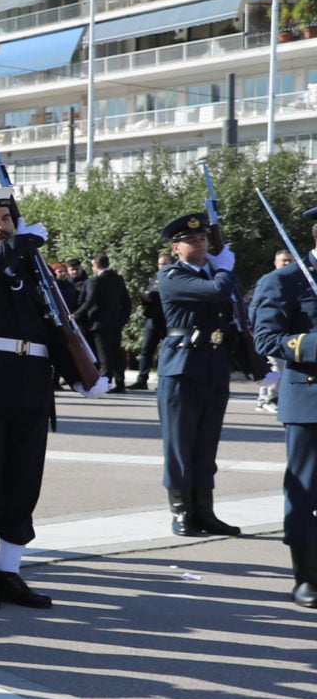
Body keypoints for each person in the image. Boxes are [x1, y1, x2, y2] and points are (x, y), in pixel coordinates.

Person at [0, 187, 112, 609]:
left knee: (22, 484)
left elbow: (56, 329)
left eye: (6, 219)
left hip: (31, 384)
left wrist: (80, 377)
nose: (0, 227)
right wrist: (24, 243)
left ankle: (9, 572)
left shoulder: (32, 270)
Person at [154, 212, 243, 537]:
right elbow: (216, 291)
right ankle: (181, 512)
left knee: (206, 446)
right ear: (176, 247)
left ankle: (205, 511)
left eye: (203, 238)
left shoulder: (217, 273)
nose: (200, 243)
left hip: (214, 367)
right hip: (182, 369)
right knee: (180, 447)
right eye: (191, 240)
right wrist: (224, 268)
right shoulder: (172, 275)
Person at [249, 211, 317, 606]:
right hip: (309, 398)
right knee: (305, 491)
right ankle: (306, 575)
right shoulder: (283, 281)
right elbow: (266, 338)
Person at [79, 253, 131, 391]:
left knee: (104, 354)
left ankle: (106, 382)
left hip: (99, 323)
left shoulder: (95, 281)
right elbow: (126, 303)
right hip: (115, 323)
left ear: (95, 265)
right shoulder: (118, 279)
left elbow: (89, 302)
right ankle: (120, 383)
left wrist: (75, 316)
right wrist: (122, 319)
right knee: (116, 353)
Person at [134, 257, 170, 391]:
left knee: (166, 351)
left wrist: (153, 296)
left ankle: (164, 382)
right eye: (160, 264)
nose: (161, 266)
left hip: (166, 319)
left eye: (165, 264)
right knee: (146, 350)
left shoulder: (174, 278)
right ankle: (142, 380)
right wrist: (145, 297)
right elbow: (149, 292)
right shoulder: (156, 277)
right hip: (153, 318)